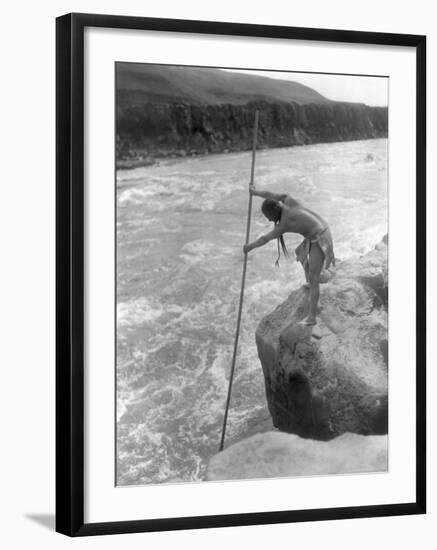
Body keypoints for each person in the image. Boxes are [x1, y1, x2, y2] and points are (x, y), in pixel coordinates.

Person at [243, 184, 335, 326]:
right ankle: (311, 285)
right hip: (321, 229)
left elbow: (265, 239)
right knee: (301, 254)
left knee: (314, 276)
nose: (268, 220)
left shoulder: (284, 223)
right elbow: (269, 194)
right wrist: (255, 192)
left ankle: (312, 317)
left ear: (274, 211)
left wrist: (249, 247)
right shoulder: (287, 200)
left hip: (321, 237)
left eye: (268, 216)